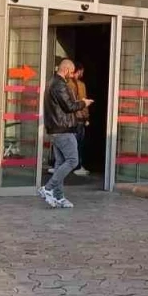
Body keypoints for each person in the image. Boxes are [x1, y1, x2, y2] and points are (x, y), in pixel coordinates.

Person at [39, 59, 92, 209]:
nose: (73, 75)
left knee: (60, 163)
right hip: (63, 129)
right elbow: (69, 106)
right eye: (72, 72)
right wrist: (84, 103)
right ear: (67, 70)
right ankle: (48, 188)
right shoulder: (59, 85)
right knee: (73, 160)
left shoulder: (52, 83)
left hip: (57, 129)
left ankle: (59, 197)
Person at [69, 62, 90, 176]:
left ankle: (63, 165)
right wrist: (86, 118)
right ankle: (77, 166)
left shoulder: (65, 83)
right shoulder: (80, 85)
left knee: (68, 143)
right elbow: (84, 102)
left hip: (68, 119)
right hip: (79, 117)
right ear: (80, 70)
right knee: (79, 143)